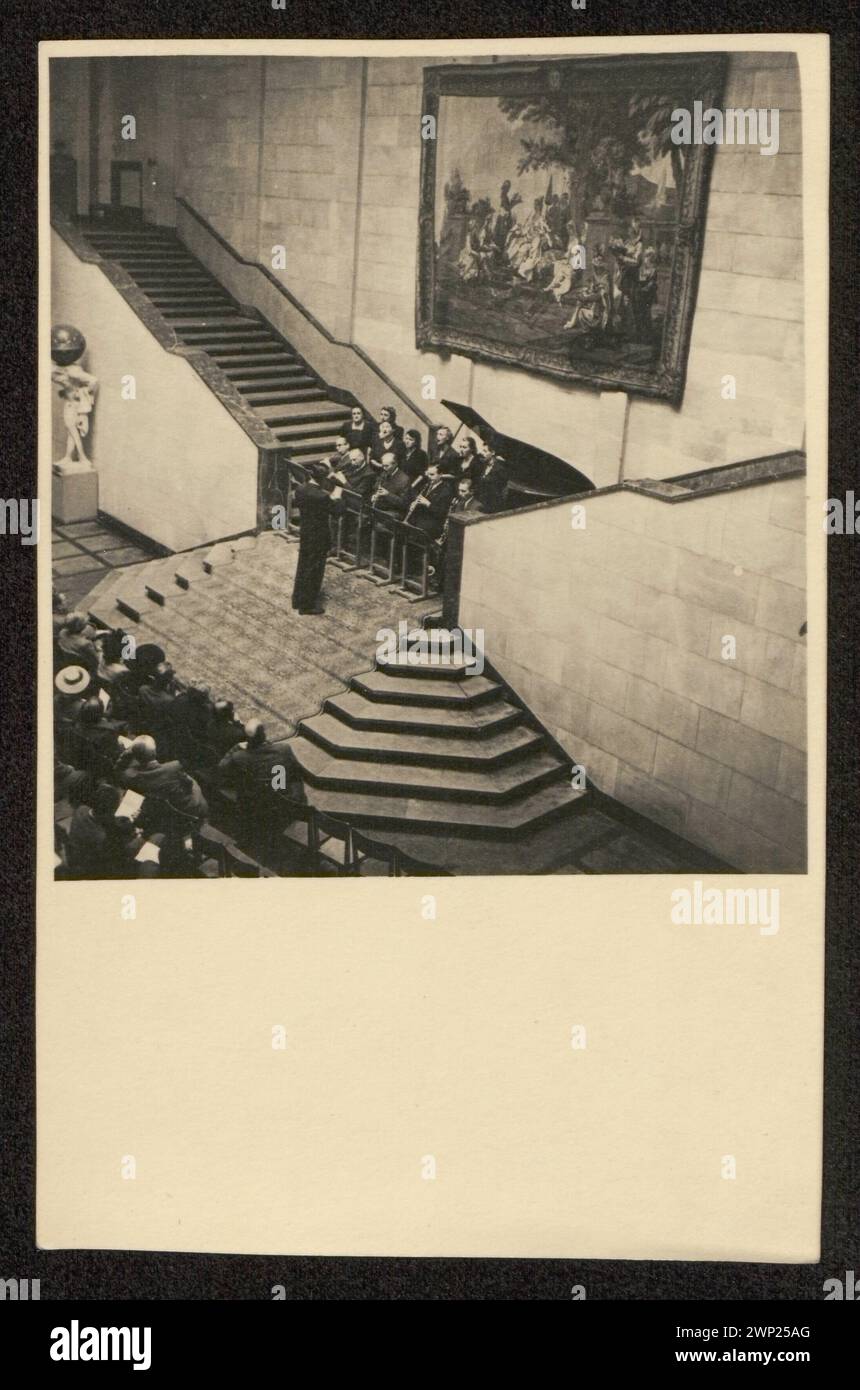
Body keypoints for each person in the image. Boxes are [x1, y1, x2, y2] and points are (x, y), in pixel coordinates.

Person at [291, 463, 342, 615]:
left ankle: (298, 599)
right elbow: (337, 511)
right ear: (322, 479)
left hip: (306, 532)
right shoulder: (322, 496)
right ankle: (307, 606)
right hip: (319, 535)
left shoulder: (300, 489)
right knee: (314, 570)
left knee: (303, 566)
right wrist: (337, 495)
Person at [66, 783, 143, 879]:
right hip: (94, 867)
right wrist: (140, 835)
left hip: (77, 855)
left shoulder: (81, 809)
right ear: (111, 810)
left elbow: (103, 820)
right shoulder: (103, 837)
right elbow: (124, 852)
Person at [217, 719, 306, 801]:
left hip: (260, 802)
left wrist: (237, 747)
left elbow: (221, 767)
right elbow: (296, 771)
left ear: (247, 739)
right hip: (286, 797)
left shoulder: (239, 757)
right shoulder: (283, 749)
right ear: (263, 735)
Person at [404, 460, 455, 541]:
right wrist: (414, 503)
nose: (429, 477)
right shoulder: (428, 484)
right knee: (404, 526)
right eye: (428, 474)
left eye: (432, 475)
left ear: (440, 474)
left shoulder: (446, 490)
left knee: (414, 531)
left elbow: (442, 513)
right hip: (422, 517)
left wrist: (428, 504)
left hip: (434, 522)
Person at [370, 452, 411, 521]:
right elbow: (375, 487)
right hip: (381, 507)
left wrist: (388, 494)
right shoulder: (385, 472)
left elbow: (404, 503)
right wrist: (374, 495)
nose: (384, 468)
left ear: (395, 464)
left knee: (377, 522)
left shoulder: (404, 479)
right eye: (383, 466)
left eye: (387, 466)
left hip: (394, 511)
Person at [474, 437, 509, 514]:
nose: (482, 453)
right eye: (482, 450)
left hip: (492, 506)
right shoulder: (483, 465)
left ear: (493, 452)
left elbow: (500, 491)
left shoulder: (500, 470)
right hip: (480, 503)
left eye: (485, 451)